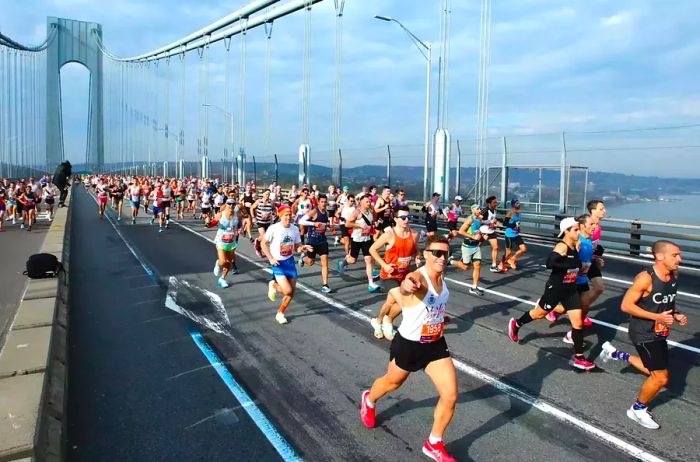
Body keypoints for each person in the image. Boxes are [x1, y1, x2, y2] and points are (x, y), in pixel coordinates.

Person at [360, 236, 458, 462]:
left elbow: (432, 307)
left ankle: (434, 443)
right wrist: (406, 285)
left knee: (450, 395)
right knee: (391, 383)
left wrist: (442, 318)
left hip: (435, 345)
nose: (441, 257)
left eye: (445, 253)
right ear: (425, 254)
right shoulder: (419, 278)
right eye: (436, 253)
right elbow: (408, 285)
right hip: (409, 345)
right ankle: (369, 399)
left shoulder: (442, 280)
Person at [598, 240, 687, 430]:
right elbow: (626, 306)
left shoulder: (673, 276)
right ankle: (637, 410)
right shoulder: (645, 279)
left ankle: (615, 354)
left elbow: (666, 301)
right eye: (675, 255)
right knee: (661, 378)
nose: (680, 258)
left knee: (651, 369)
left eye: (679, 254)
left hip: (659, 331)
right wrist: (657, 317)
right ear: (660, 256)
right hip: (644, 333)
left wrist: (675, 313)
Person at [507, 217, 597, 370]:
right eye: (575, 230)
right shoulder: (562, 246)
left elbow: (578, 263)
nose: (578, 232)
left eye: (578, 229)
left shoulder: (576, 245)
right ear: (566, 232)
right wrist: (569, 264)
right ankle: (517, 324)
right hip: (555, 289)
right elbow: (550, 263)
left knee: (578, 323)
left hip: (570, 290)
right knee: (539, 314)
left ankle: (579, 358)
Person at [369, 206, 421, 340]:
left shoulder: (414, 235)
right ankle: (398, 328)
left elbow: (415, 250)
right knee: (404, 303)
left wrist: (417, 257)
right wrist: (384, 265)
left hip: (404, 275)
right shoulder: (389, 235)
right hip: (389, 275)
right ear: (396, 219)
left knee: (390, 303)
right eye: (403, 218)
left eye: (408, 217)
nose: (406, 220)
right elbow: (372, 249)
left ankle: (381, 321)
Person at [261, 205, 313, 325]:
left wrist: (302, 247)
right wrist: (271, 259)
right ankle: (273, 284)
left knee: (292, 292)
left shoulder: (294, 229)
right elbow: (263, 243)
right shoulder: (274, 228)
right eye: (286, 215)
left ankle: (280, 313)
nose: (288, 217)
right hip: (278, 263)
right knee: (287, 291)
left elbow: (297, 247)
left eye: (290, 215)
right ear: (280, 216)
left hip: (289, 262)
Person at [337, 194, 381, 293]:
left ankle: (371, 283)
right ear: (361, 203)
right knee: (352, 260)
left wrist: (374, 224)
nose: (369, 203)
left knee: (368, 260)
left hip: (367, 238)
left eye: (370, 201)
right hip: (357, 239)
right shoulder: (357, 212)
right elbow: (347, 223)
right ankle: (343, 263)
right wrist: (359, 225)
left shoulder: (370, 210)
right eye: (367, 202)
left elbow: (372, 221)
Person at [298, 194, 333, 293]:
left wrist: (330, 227)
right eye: (322, 202)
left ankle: (325, 285)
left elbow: (324, 225)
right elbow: (301, 221)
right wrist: (314, 223)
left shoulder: (326, 212)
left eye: (325, 202)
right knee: (311, 262)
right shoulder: (314, 212)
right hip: (312, 241)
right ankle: (303, 259)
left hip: (322, 241)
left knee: (325, 262)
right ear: (318, 202)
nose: (323, 204)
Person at [448, 204, 485, 296]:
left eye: (480, 208)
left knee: (477, 265)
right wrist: (473, 236)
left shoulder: (479, 218)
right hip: (467, 247)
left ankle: (474, 287)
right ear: (473, 211)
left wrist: (483, 235)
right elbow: (461, 231)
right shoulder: (470, 219)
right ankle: (451, 261)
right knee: (465, 267)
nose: (480, 209)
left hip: (476, 246)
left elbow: (477, 230)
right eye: (478, 208)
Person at [211, 198, 242, 288]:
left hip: (232, 242)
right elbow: (211, 224)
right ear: (226, 204)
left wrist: (240, 229)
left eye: (233, 204)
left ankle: (222, 278)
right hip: (221, 241)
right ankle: (218, 263)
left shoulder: (238, 215)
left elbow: (239, 225)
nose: (231, 205)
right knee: (223, 261)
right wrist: (208, 222)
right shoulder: (220, 215)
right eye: (229, 204)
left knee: (229, 262)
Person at [586, 199, 607, 307]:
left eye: (604, 208)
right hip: (580, 261)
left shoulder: (598, 227)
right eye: (601, 209)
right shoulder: (586, 225)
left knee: (599, 288)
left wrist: (596, 257)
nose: (604, 211)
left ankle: (582, 308)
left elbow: (592, 246)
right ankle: (550, 307)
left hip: (591, 260)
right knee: (570, 290)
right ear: (593, 210)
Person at [501, 198, 526, 271]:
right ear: (513, 205)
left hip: (516, 234)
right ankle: (502, 264)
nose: (519, 204)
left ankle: (512, 259)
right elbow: (504, 223)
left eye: (519, 203)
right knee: (508, 252)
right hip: (509, 235)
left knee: (523, 249)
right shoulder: (510, 212)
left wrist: (518, 228)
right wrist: (513, 225)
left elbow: (517, 223)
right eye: (517, 203)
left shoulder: (519, 212)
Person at [251, 189, 277, 258]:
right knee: (264, 236)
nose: (267, 196)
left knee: (267, 237)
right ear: (263, 194)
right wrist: (253, 217)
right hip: (260, 222)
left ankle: (257, 242)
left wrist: (273, 215)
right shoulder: (259, 202)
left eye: (268, 194)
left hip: (268, 222)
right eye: (266, 194)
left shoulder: (271, 202)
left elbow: (274, 209)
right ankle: (261, 250)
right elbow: (252, 208)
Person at [481, 196, 502, 272]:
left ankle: (493, 266)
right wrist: (489, 222)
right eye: (494, 202)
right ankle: (465, 259)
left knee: (495, 248)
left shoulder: (494, 210)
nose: (496, 204)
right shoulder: (485, 211)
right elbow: (479, 220)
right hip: (483, 232)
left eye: (496, 202)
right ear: (489, 203)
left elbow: (493, 219)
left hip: (491, 231)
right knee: (475, 247)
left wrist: (496, 222)